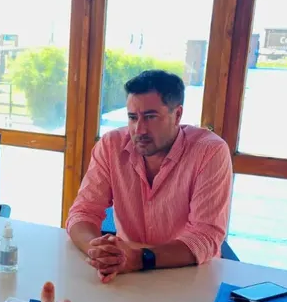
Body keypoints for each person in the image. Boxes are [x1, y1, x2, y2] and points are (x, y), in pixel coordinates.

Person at [67, 70, 232, 281]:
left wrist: (139, 258)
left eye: (151, 117)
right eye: (132, 117)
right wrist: (97, 251)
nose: (139, 129)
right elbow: (83, 212)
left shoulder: (209, 151)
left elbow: (205, 236)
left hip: (189, 275)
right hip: (126, 269)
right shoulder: (111, 146)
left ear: (178, 115)